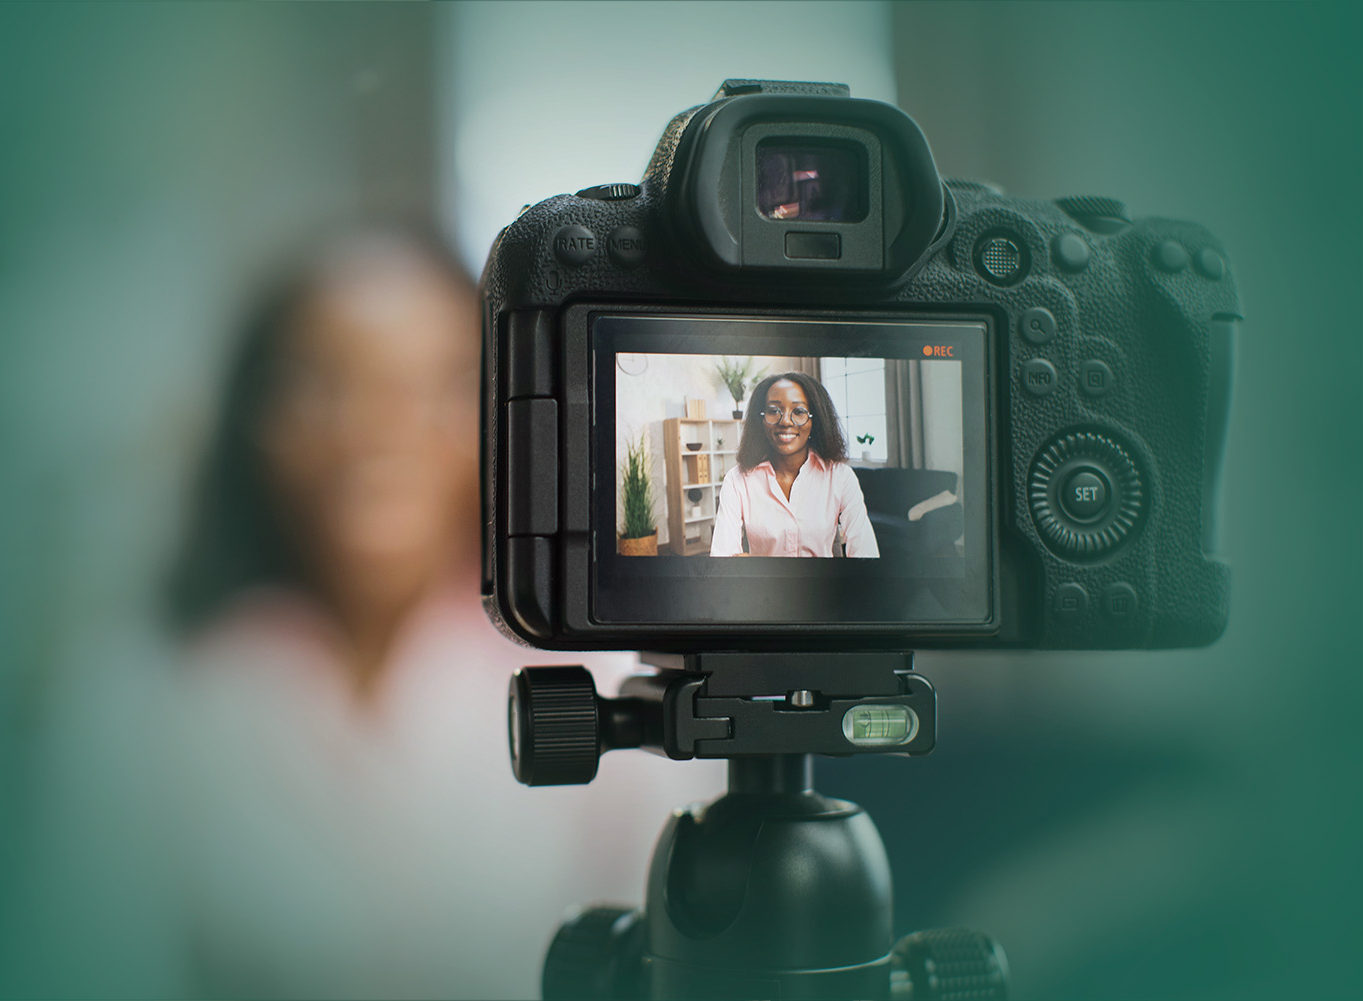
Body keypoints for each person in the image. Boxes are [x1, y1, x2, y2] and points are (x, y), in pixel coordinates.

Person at [134, 231, 722, 998]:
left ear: (513, 414)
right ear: (256, 422)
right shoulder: (154, 702)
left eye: (437, 383)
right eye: (321, 381)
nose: (375, 426)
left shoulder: (614, 683)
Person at [710, 371, 879, 558]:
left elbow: (866, 554)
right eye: (773, 411)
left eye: (799, 412)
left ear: (816, 420)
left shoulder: (840, 476)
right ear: (761, 420)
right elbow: (723, 559)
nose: (785, 421)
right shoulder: (737, 480)